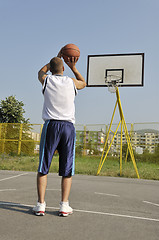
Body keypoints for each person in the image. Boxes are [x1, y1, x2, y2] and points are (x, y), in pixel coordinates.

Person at [33, 48, 86, 217]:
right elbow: (83, 83)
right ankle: (64, 205)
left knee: (43, 167)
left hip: (51, 126)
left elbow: (40, 72)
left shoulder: (47, 80)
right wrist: (73, 67)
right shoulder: (71, 81)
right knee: (67, 169)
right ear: (63, 69)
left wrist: (54, 60)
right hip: (68, 128)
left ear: (51, 68)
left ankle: (41, 205)